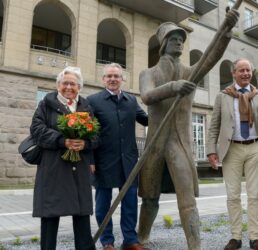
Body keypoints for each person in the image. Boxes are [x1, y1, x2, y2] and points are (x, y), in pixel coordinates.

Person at [138, 10, 238, 250]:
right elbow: (147, 96)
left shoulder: (189, 73)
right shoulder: (148, 73)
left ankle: (195, 245)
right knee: (150, 197)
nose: (179, 42)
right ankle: (141, 237)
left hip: (179, 143)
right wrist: (173, 86)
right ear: (163, 44)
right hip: (155, 143)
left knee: (187, 198)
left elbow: (211, 57)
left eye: (181, 39)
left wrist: (225, 32)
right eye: (174, 38)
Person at [206, 58, 258, 250]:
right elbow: (215, 125)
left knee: (254, 194)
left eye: (248, 70)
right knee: (232, 195)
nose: (245, 74)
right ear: (234, 73)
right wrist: (211, 150)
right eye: (241, 70)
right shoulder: (223, 96)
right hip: (231, 149)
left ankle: (255, 237)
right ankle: (235, 237)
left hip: (254, 148)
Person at [30, 66, 96, 250]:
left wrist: (85, 144)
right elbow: (36, 130)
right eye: (65, 83)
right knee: (51, 214)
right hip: (53, 167)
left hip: (79, 166)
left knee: (82, 214)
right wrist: (62, 140)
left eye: (73, 84)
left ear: (79, 87)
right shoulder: (46, 104)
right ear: (58, 85)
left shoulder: (85, 107)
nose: (69, 87)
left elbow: (96, 137)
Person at [87, 63, 149, 250]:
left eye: (116, 76)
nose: (113, 79)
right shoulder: (92, 101)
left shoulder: (131, 100)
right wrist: (90, 159)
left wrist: (164, 108)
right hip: (103, 160)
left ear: (123, 79)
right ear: (103, 79)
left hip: (129, 160)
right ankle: (107, 241)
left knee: (130, 201)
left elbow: (146, 119)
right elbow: (88, 133)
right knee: (103, 204)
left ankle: (130, 240)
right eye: (109, 76)